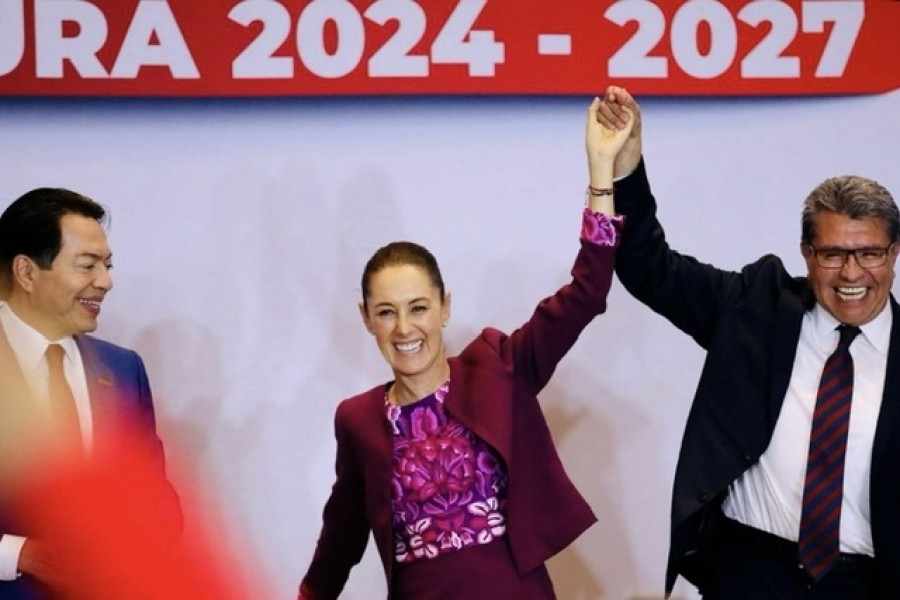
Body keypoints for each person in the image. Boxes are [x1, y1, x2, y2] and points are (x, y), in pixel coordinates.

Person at [298, 101, 634, 599]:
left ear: (444, 308)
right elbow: (341, 536)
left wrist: (600, 171)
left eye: (418, 308)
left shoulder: (498, 368)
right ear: (366, 318)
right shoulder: (358, 419)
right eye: (386, 311)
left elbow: (587, 292)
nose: (404, 327)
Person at [596, 85, 900, 599]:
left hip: (861, 586)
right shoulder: (755, 309)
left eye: (869, 253)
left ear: (893, 253)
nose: (852, 273)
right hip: (748, 572)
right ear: (805, 252)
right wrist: (624, 166)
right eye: (832, 254)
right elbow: (649, 267)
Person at [0, 188, 183, 599]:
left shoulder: (123, 369)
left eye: (107, 265)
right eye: (87, 265)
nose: (105, 282)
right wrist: (20, 554)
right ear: (26, 272)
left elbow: (156, 495)